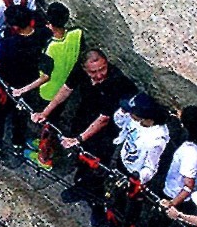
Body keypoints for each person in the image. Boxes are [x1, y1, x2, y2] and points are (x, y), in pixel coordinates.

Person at [49, 49, 137, 208]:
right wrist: (46, 111)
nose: (99, 75)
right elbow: (66, 89)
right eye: (93, 72)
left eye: (102, 69)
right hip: (85, 116)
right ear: (84, 69)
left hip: (107, 129)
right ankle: (82, 178)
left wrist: (79, 139)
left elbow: (104, 119)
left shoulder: (116, 82)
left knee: (97, 160)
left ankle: (90, 190)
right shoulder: (80, 71)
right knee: (82, 154)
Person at [89, 94, 171, 227]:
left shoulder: (156, 139)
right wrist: (122, 110)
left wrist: (137, 179)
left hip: (134, 175)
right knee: (110, 197)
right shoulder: (134, 120)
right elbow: (119, 122)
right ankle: (111, 225)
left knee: (126, 207)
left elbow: (151, 166)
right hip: (121, 163)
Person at [0, 5, 46, 160]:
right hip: (29, 84)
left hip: (7, 85)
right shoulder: (42, 35)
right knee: (21, 114)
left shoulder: (11, 43)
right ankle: (18, 142)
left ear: (16, 27)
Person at [25, 3, 83, 167]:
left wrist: (23, 89)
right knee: (53, 121)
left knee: (47, 124)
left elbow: (44, 77)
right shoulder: (77, 33)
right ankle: (47, 144)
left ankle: (44, 157)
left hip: (48, 93)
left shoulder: (50, 48)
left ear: (49, 23)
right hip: (66, 90)